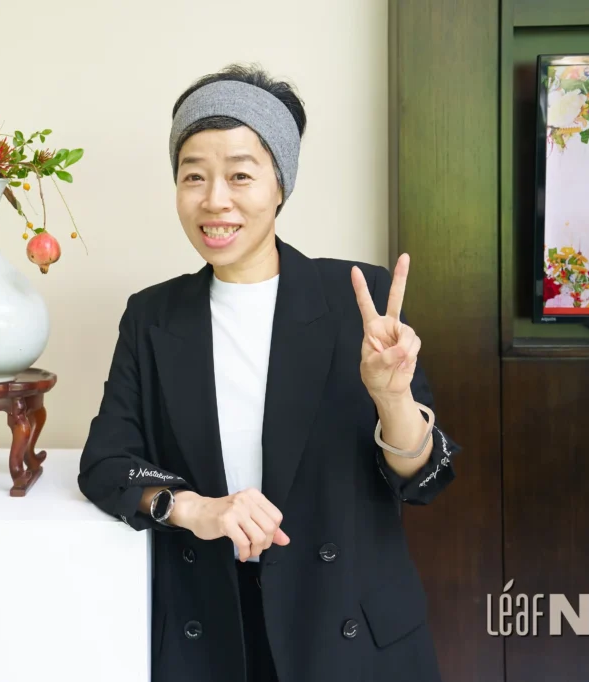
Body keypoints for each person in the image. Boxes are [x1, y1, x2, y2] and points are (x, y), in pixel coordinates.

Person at [77, 63, 462, 682]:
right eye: (193, 176)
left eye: (240, 175)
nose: (214, 200)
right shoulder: (153, 317)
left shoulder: (357, 299)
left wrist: (392, 399)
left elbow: (424, 480)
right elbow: (106, 464)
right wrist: (194, 509)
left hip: (347, 632)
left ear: (280, 185)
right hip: (211, 625)